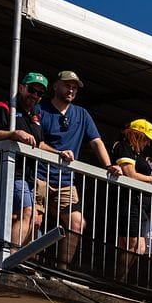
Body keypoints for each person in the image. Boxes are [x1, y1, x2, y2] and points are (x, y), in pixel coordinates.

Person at [35, 70, 122, 267]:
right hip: (40, 174)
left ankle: (61, 269)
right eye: (67, 85)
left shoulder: (81, 114)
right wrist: (58, 154)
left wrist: (109, 165)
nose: (71, 89)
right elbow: (35, 142)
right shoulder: (40, 109)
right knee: (35, 220)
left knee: (77, 223)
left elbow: (96, 142)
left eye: (74, 87)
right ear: (55, 86)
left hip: (66, 180)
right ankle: (31, 265)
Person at [0, 71, 55, 244]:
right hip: (10, 171)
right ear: (21, 88)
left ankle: (16, 258)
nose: (35, 95)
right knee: (26, 212)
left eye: (40, 93)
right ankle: (10, 256)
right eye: (32, 90)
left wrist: (59, 153)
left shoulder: (35, 116)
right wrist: (15, 133)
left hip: (28, 175)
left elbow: (39, 143)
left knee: (32, 219)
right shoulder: (4, 107)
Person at [110, 118, 152, 276]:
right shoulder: (124, 147)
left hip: (139, 205)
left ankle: (118, 281)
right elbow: (130, 175)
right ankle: (117, 282)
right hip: (129, 202)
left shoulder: (137, 154)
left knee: (136, 246)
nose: (148, 144)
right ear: (136, 136)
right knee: (135, 244)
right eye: (146, 139)